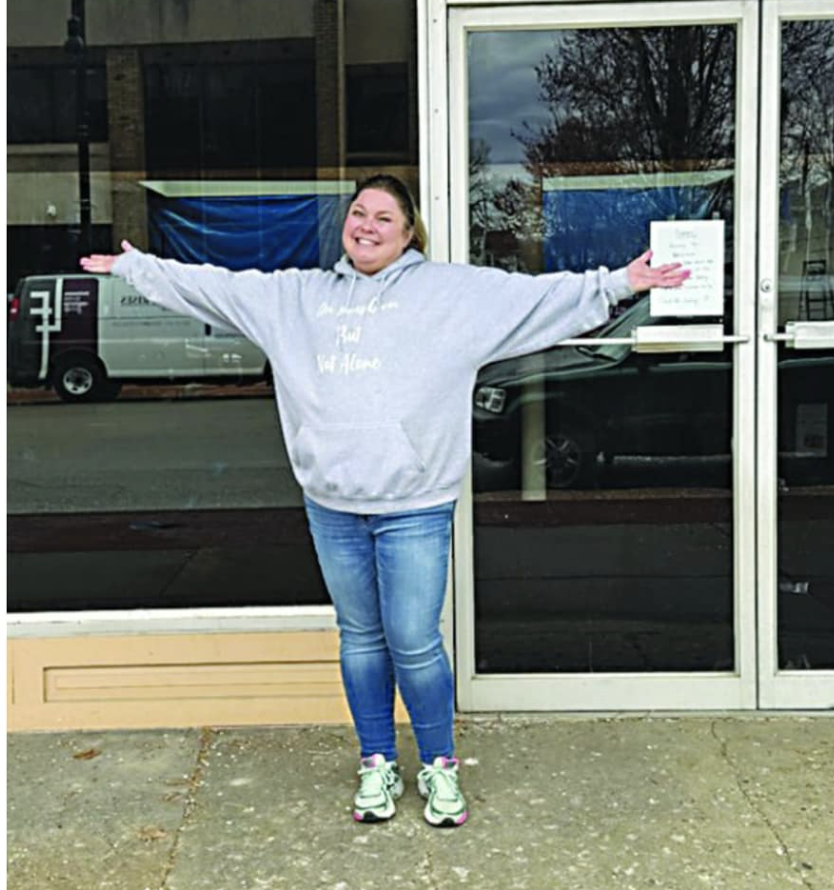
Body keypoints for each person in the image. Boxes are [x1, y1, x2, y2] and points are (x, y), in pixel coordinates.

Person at [81, 173, 689, 828]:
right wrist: (137, 268)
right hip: (332, 502)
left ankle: (439, 765)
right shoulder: (299, 298)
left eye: (383, 218)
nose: (366, 225)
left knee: (414, 640)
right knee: (361, 640)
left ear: (407, 234)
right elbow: (219, 286)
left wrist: (620, 283)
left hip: (415, 503)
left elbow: (537, 299)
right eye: (359, 214)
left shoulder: (451, 295)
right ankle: (376, 761)